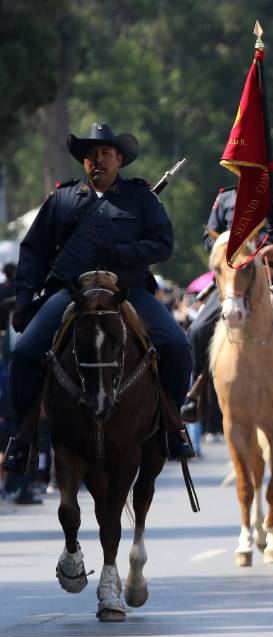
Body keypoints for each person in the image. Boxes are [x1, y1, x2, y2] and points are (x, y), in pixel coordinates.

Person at [2, 123, 195, 473]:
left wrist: (120, 252)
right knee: (26, 351)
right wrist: (25, 298)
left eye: (105, 153)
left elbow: (162, 244)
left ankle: (171, 424)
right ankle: (23, 436)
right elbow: (33, 251)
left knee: (178, 347)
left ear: (119, 159)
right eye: (91, 155)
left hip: (128, 291)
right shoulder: (61, 199)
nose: (98, 160)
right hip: (71, 292)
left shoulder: (141, 198)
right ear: (83, 161)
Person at [179, 171, 273, 421]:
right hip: (233, 280)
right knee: (198, 330)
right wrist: (227, 247)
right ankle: (199, 389)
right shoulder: (225, 199)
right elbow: (208, 239)